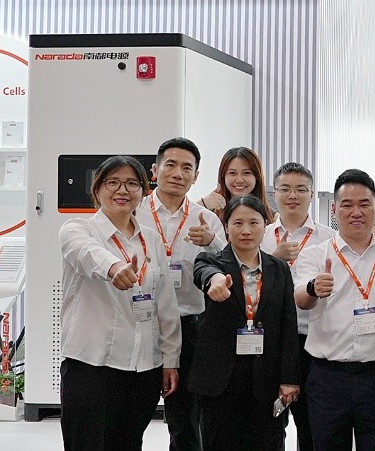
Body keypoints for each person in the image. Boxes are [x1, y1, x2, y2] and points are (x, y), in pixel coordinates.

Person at [58, 155, 181, 451]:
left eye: (131, 183)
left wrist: (170, 360)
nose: (122, 190)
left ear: (143, 191)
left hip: (144, 367)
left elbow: (165, 304)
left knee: (129, 444)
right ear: (97, 189)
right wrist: (114, 268)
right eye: (112, 182)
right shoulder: (77, 229)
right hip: (92, 367)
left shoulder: (150, 239)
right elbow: (87, 253)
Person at [294, 168, 375, 451]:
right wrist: (314, 288)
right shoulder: (315, 255)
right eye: (347, 205)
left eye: (364, 204)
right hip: (327, 377)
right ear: (334, 209)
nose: (356, 212)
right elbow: (301, 298)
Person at [190, 195, 300, 451]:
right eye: (237, 223)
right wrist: (215, 280)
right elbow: (204, 274)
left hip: (266, 380)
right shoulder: (210, 261)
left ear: (265, 226)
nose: (246, 230)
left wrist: (289, 378)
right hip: (220, 381)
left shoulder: (279, 269)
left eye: (254, 222)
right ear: (226, 228)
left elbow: (288, 326)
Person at [138, 137, 226, 451]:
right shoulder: (135, 211)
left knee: (186, 419)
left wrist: (212, 241)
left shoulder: (206, 220)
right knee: (132, 410)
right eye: (171, 165)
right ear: (155, 170)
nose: (178, 173)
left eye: (187, 168)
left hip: (190, 326)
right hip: (142, 322)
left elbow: (227, 266)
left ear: (196, 176)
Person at [261, 161, 336, 451]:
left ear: (311, 194)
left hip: (310, 339)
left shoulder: (329, 239)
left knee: (310, 424)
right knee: (269, 423)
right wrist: (274, 259)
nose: (293, 195)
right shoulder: (261, 235)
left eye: (301, 189)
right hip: (270, 339)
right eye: (285, 189)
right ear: (274, 193)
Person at [200, 146, 270, 218]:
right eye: (232, 173)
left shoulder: (273, 218)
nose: (239, 180)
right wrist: (202, 204)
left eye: (246, 173)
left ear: (257, 177)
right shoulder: (209, 213)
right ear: (223, 177)